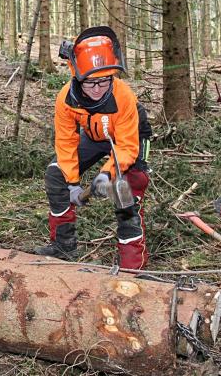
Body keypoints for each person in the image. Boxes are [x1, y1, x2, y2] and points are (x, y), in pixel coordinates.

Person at [35, 26, 152, 269]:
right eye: (90, 83)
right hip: (94, 135)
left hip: (129, 135)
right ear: (76, 76)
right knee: (56, 173)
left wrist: (106, 173)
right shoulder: (66, 99)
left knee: (127, 187)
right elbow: (66, 142)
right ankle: (63, 245)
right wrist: (73, 183)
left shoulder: (124, 97)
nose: (98, 89)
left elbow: (127, 147)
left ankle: (133, 263)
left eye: (104, 81)